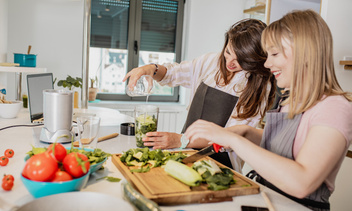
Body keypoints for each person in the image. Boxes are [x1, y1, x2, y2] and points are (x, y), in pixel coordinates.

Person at [185, 10, 352, 211]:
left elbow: (302, 183)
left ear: (304, 53)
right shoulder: (291, 101)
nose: (267, 63)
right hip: (267, 200)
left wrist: (234, 141)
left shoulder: (335, 107)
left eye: (274, 54)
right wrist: (247, 133)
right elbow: (295, 145)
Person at [123, 19, 276, 171]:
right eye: (228, 52)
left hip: (221, 166)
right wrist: (151, 69)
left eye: (241, 60)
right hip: (186, 152)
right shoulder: (211, 62)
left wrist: (181, 140)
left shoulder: (258, 87)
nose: (230, 62)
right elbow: (174, 73)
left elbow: (231, 137)